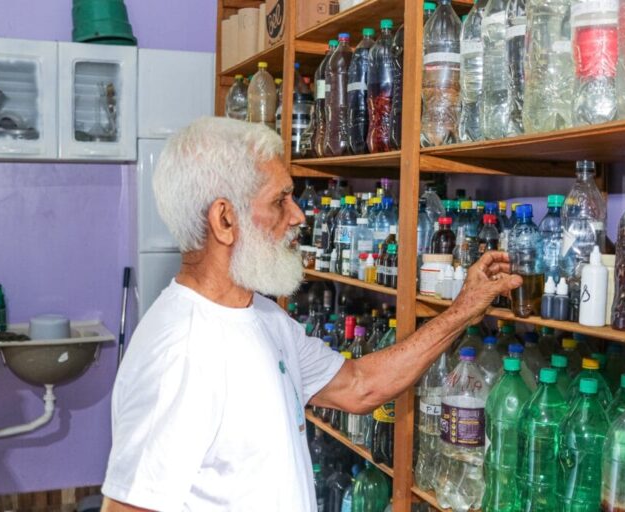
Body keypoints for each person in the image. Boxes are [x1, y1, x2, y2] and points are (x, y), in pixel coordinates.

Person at [100, 117, 522, 512]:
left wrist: (463, 310)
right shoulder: (179, 352)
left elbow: (360, 386)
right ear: (224, 220)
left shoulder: (263, 317)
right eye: (280, 201)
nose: (298, 216)